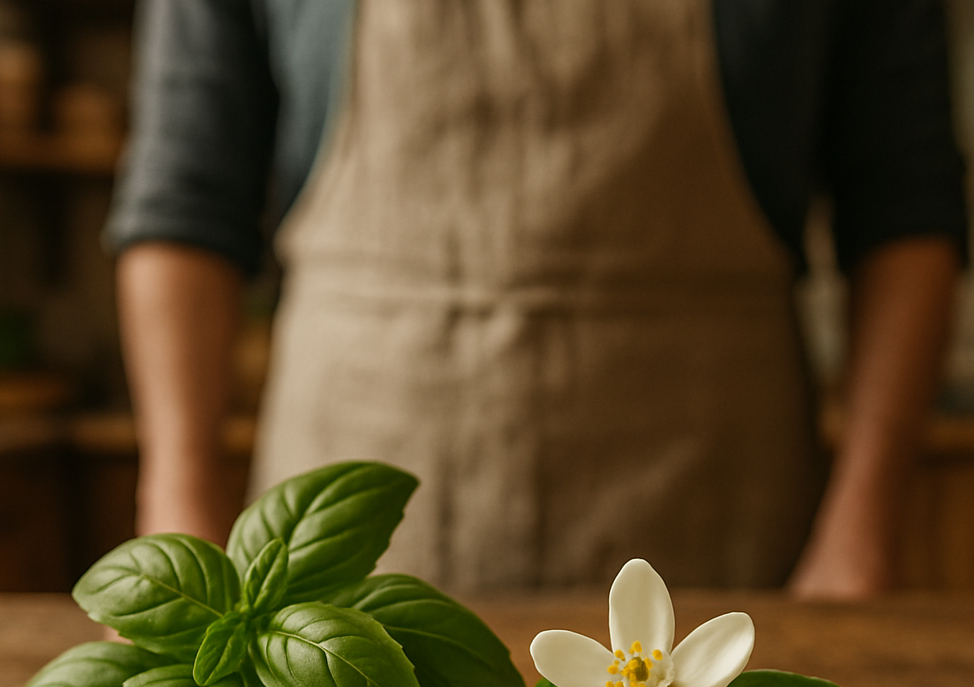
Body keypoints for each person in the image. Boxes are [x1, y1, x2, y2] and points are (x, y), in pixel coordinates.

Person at [106, 0, 967, 596]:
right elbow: (184, 205)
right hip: (350, 528)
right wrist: (176, 513)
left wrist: (865, 526)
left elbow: (905, 207)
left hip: (716, 512)